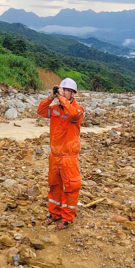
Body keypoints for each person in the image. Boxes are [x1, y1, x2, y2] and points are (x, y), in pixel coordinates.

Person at [37, 78, 85, 230]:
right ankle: (54, 214)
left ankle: (67, 218)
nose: (62, 92)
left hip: (69, 157)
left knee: (71, 187)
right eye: (62, 90)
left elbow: (73, 115)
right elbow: (41, 111)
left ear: (72, 93)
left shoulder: (78, 109)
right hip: (55, 156)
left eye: (66, 90)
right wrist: (51, 97)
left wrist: (63, 99)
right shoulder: (55, 109)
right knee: (54, 185)